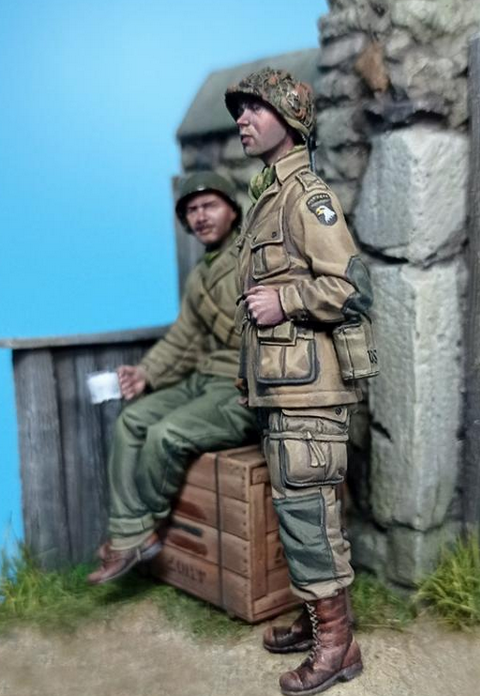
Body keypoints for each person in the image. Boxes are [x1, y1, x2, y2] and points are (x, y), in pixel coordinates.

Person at [225, 68, 375, 695]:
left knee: (310, 517)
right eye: (239, 111)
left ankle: (337, 647)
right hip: (284, 387)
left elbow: (351, 287)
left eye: (255, 108)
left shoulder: (307, 196)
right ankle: (321, 622)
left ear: (289, 119)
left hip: (309, 392)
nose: (242, 119)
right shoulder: (268, 196)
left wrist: (286, 299)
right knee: (300, 514)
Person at [88, 171, 257, 585]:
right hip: (205, 378)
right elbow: (185, 337)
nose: (200, 216)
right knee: (131, 421)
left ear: (232, 211)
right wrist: (146, 373)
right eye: (191, 210)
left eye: (210, 205)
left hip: (242, 386)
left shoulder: (255, 257)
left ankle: (140, 530)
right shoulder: (200, 275)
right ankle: (130, 531)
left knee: (166, 434)